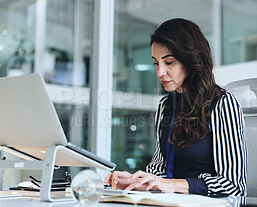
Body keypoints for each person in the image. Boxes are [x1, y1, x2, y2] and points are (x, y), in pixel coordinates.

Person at [105, 18, 247, 196]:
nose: (160, 72)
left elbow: (233, 185)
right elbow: (160, 170)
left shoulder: (223, 104)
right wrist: (135, 181)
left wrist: (173, 185)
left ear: (190, 59)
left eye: (169, 62)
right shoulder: (166, 106)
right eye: (156, 63)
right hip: (173, 206)